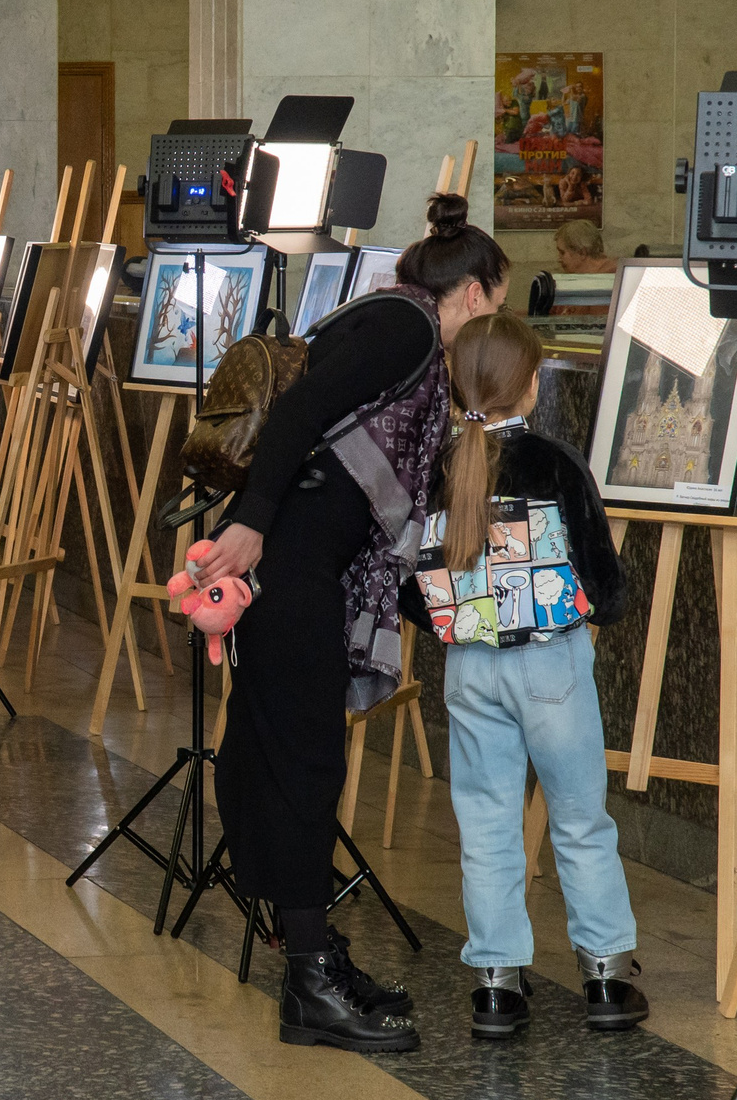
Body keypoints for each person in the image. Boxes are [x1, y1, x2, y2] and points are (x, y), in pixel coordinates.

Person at [193, 193, 511, 1054]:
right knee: (305, 761)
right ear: (474, 292)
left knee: (283, 752)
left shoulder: (390, 320)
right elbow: (296, 419)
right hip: (289, 557)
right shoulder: (410, 329)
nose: (497, 320)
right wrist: (252, 521)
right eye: (499, 301)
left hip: (301, 561)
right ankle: (310, 986)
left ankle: (313, 953)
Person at [412, 312, 644, 1038]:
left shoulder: (436, 467)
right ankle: (605, 974)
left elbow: (409, 587)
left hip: (469, 667)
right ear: (531, 386)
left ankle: (496, 985)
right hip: (551, 664)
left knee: (484, 823)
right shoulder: (556, 463)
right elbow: (605, 585)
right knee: (579, 818)